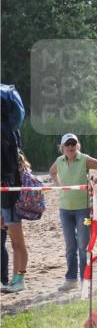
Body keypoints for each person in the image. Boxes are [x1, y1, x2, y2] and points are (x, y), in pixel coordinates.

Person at [49, 134, 97, 292]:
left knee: (84, 245)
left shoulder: (84, 159)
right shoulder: (59, 161)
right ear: (62, 147)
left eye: (73, 143)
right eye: (67, 144)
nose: (70, 147)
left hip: (83, 210)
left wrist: (94, 182)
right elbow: (51, 172)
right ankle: (71, 279)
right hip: (65, 210)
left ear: (77, 145)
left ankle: (86, 279)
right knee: (70, 245)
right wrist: (58, 186)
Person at [1, 84, 28, 294]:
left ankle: (20, 278)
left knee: (16, 239)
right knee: (13, 237)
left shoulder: (5, 134)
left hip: (9, 192)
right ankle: (15, 278)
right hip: (7, 191)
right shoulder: (10, 132)